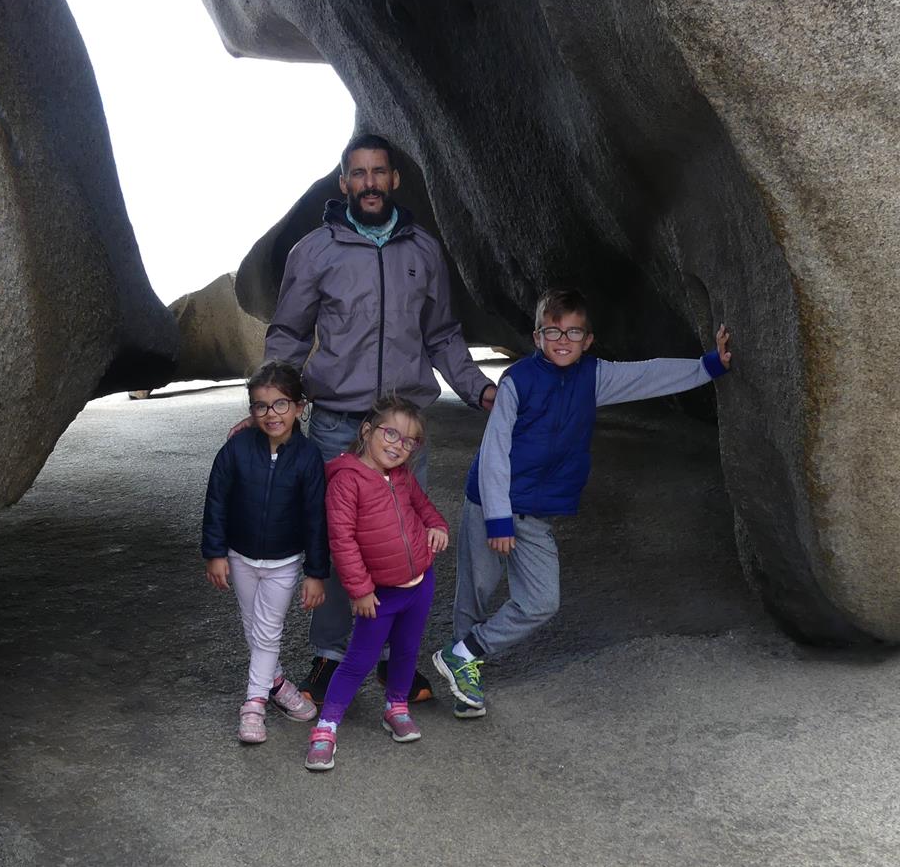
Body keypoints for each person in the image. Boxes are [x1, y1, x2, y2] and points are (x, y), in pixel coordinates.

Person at [264, 133, 495, 706]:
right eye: (358, 173)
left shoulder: (424, 252)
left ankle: (397, 660)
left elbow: (442, 336)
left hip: (405, 430)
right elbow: (289, 336)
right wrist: (270, 406)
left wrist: (479, 391)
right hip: (339, 425)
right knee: (337, 544)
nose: (369, 182)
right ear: (344, 183)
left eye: (379, 172)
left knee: (403, 544)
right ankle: (330, 657)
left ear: (394, 181)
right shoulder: (314, 251)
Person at [431, 287, 733, 718]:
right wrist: (498, 519)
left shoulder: (594, 377)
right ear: (537, 337)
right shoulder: (518, 381)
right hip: (491, 503)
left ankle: (463, 653)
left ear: (588, 341)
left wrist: (708, 366)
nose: (562, 341)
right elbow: (495, 452)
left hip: (536, 513)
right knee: (476, 590)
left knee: (540, 601)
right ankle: (466, 679)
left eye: (574, 333)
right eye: (552, 331)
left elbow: (646, 375)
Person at [304, 397, 450, 772]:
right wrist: (360, 590)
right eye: (391, 434)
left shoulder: (402, 476)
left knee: (405, 651)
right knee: (358, 660)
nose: (398, 446)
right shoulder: (346, 480)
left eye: (409, 441)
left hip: (420, 584)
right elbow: (343, 541)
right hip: (379, 594)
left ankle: (395, 707)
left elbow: (424, 506)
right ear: (367, 431)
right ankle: (326, 727)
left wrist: (437, 527)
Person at [202, 360, 329, 744]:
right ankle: (276, 683)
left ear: (299, 407)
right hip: (240, 557)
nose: (271, 414)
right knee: (253, 628)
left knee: (268, 633)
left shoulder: (308, 459)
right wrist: (215, 552)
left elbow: (315, 520)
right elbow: (216, 503)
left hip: (284, 562)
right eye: (261, 405)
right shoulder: (236, 450)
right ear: (251, 409)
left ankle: (253, 705)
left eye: (280, 404)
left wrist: (316, 572)